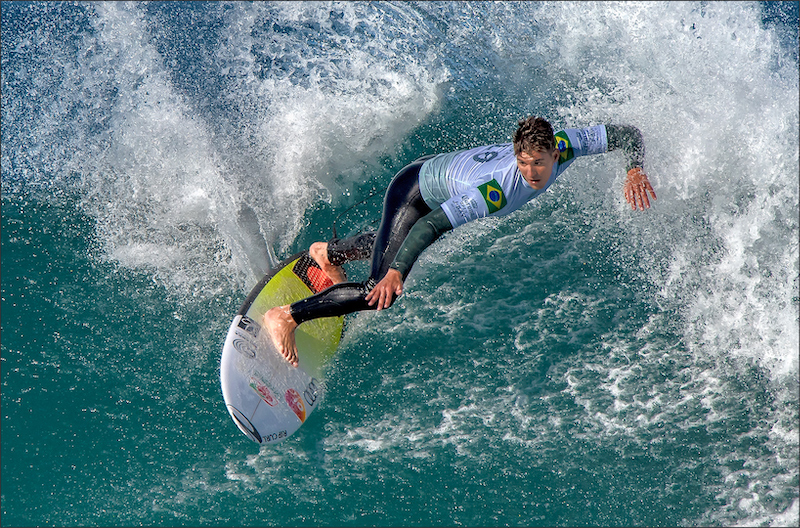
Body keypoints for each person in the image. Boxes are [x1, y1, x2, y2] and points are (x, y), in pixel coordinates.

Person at [264, 117, 657, 366]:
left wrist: (634, 167)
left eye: (539, 162)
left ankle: (327, 253)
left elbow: (626, 134)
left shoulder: (568, 143)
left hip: (435, 173)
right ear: (517, 157)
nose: (532, 172)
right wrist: (398, 272)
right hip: (415, 191)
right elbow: (430, 226)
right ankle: (287, 315)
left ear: (555, 152)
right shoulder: (495, 193)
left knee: (391, 245)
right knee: (379, 289)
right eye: (523, 163)